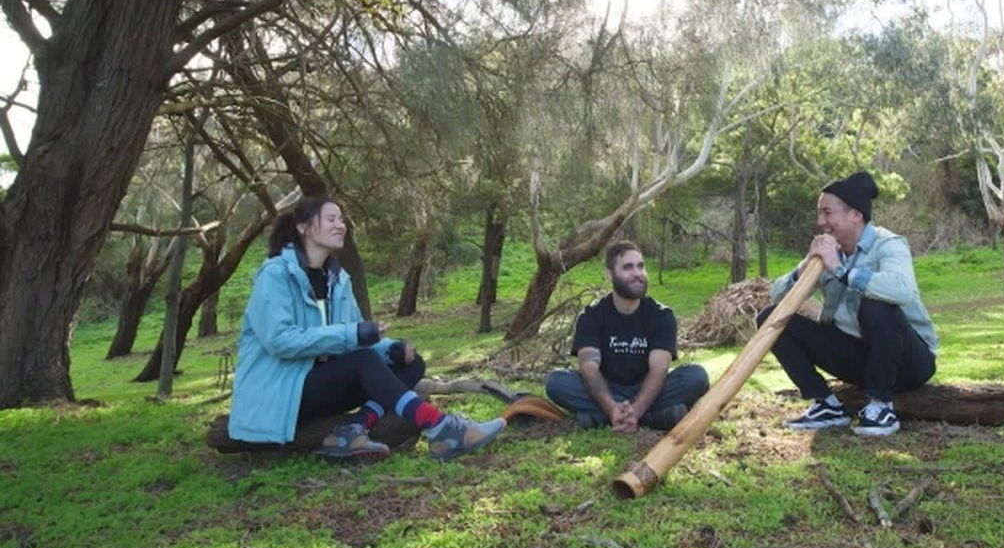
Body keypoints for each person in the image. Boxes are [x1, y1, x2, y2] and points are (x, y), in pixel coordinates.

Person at [228, 196, 505, 461]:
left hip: (320, 384)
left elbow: (354, 337)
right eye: (331, 219)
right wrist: (354, 335)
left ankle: (351, 430)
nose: (341, 225)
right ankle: (440, 428)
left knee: (411, 365)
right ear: (304, 227)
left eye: (342, 220)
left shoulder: (338, 279)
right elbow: (280, 341)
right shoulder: (276, 275)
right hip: (279, 394)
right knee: (363, 360)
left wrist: (392, 349)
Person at [760, 171, 938, 436]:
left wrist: (842, 272)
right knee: (771, 317)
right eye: (819, 214)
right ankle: (826, 405)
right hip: (858, 359)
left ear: (856, 214)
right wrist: (803, 269)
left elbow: (901, 290)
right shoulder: (828, 253)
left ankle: (881, 406)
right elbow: (778, 296)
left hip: (909, 361)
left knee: (875, 304)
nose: (821, 222)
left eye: (827, 213)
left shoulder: (888, 244)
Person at [545, 242, 709, 431]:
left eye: (640, 266)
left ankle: (600, 418)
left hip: (649, 389)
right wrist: (611, 407)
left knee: (695, 376)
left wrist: (637, 409)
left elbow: (659, 369)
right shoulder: (591, 315)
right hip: (606, 389)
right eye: (628, 267)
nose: (637, 273)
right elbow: (589, 368)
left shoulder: (661, 315)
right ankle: (654, 417)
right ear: (609, 274)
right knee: (557, 381)